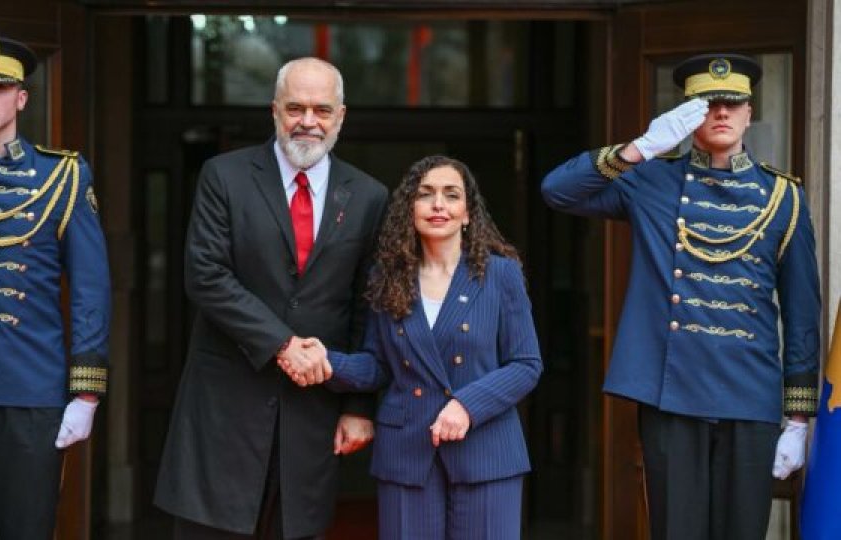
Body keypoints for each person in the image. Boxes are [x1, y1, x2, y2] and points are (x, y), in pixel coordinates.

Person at [540, 53, 820, 539]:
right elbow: (557, 190)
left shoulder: (783, 197)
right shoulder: (652, 179)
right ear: (687, 114)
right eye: (707, 103)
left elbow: (802, 314)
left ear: (749, 112)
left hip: (749, 396)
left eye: (732, 103)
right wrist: (640, 148)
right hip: (673, 395)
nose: (721, 112)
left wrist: (798, 418)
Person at [154, 57, 389, 539]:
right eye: (295, 108)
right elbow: (206, 275)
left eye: (322, 110)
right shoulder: (224, 176)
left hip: (313, 412)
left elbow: (367, 307)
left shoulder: (369, 196)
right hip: (225, 407)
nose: (308, 121)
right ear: (275, 111)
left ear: (341, 116)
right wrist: (283, 344)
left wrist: (359, 405)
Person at [285, 155, 542, 539]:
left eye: (451, 195)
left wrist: (466, 406)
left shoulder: (500, 274)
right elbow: (378, 365)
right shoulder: (387, 278)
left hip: (486, 450)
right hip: (408, 451)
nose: (439, 205)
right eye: (425, 194)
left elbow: (526, 364)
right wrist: (327, 361)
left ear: (467, 213)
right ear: (410, 209)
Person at [0, 36, 111, 539]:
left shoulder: (63, 175)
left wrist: (86, 393)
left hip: (31, 388)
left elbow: (91, 289)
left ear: (21, 98)